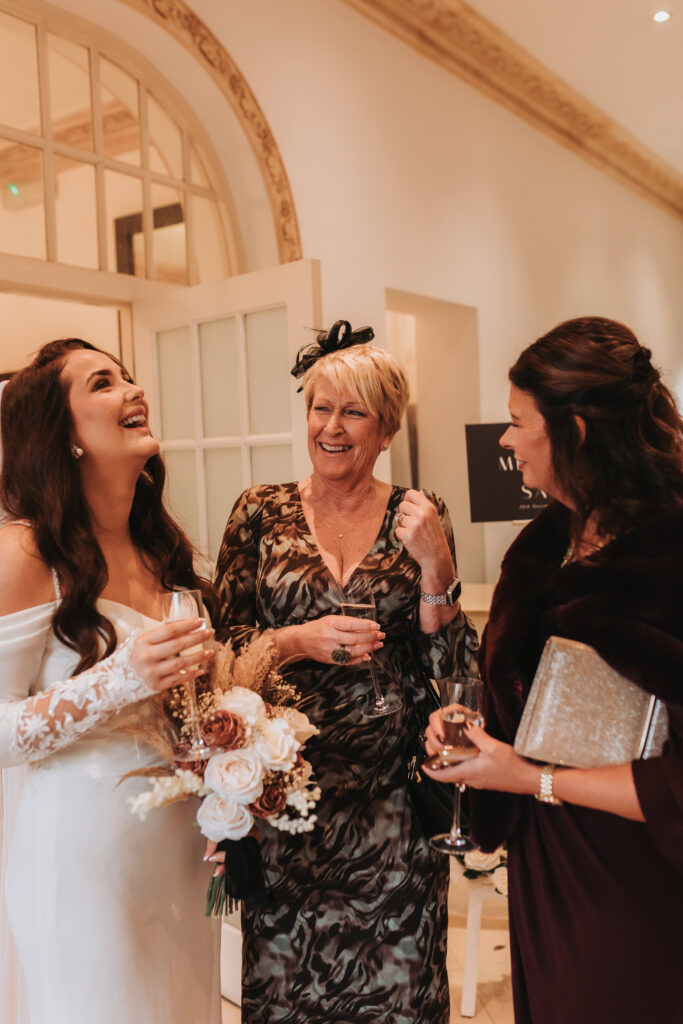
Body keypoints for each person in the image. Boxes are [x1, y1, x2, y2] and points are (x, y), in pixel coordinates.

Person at [211, 320, 478, 1023]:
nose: (330, 426)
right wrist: (296, 639)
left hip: (389, 810)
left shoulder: (419, 515)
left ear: (385, 428)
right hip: (283, 803)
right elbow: (221, 648)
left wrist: (437, 568)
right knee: (287, 997)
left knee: (398, 997)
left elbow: (451, 669)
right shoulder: (259, 513)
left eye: (352, 411)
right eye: (319, 408)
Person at [425, 316, 683, 1024]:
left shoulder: (668, 556)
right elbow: (535, 700)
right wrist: (477, 735)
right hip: (546, 859)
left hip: (636, 874)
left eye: (515, 422)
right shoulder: (545, 544)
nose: (503, 441)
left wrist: (529, 778)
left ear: (572, 431)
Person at [0, 339, 222, 1024]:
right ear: (64, 435)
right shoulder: (28, 552)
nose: (133, 391)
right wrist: (119, 679)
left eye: (128, 377)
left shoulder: (161, 549)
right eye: (104, 383)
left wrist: (232, 771)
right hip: (83, 858)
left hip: (183, 856)